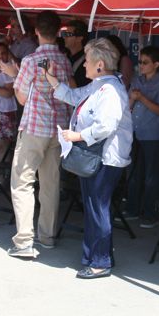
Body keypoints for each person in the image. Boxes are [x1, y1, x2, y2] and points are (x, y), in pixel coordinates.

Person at [44, 38, 133, 278]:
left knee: (97, 208)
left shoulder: (111, 90)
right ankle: (96, 256)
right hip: (97, 156)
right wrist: (52, 79)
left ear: (100, 64)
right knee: (95, 207)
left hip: (106, 157)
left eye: (87, 62)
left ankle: (100, 261)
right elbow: (74, 97)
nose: (83, 67)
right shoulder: (100, 84)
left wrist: (77, 135)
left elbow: (106, 125)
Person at [7, 10, 73, 258]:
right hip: (58, 129)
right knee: (50, 184)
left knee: (22, 181)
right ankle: (47, 236)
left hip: (35, 127)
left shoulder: (30, 61)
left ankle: (24, 240)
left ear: (36, 31)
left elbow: (22, 97)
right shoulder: (65, 61)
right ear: (58, 32)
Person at [125, 45, 159, 229]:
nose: (141, 65)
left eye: (145, 62)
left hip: (152, 133)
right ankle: (132, 208)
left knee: (151, 175)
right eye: (140, 62)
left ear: (156, 64)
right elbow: (128, 105)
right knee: (134, 172)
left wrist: (141, 98)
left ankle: (150, 212)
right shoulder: (137, 80)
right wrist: (132, 99)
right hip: (134, 131)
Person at [0, 42, 18, 164]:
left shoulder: (10, 69)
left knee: (3, 145)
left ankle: (2, 178)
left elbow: (9, 93)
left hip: (5, 112)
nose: (0, 56)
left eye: (3, 53)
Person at [64, 19, 90, 88]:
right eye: (64, 34)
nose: (64, 37)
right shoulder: (65, 56)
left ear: (79, 38)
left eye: (68, 34)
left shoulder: (87, 61)